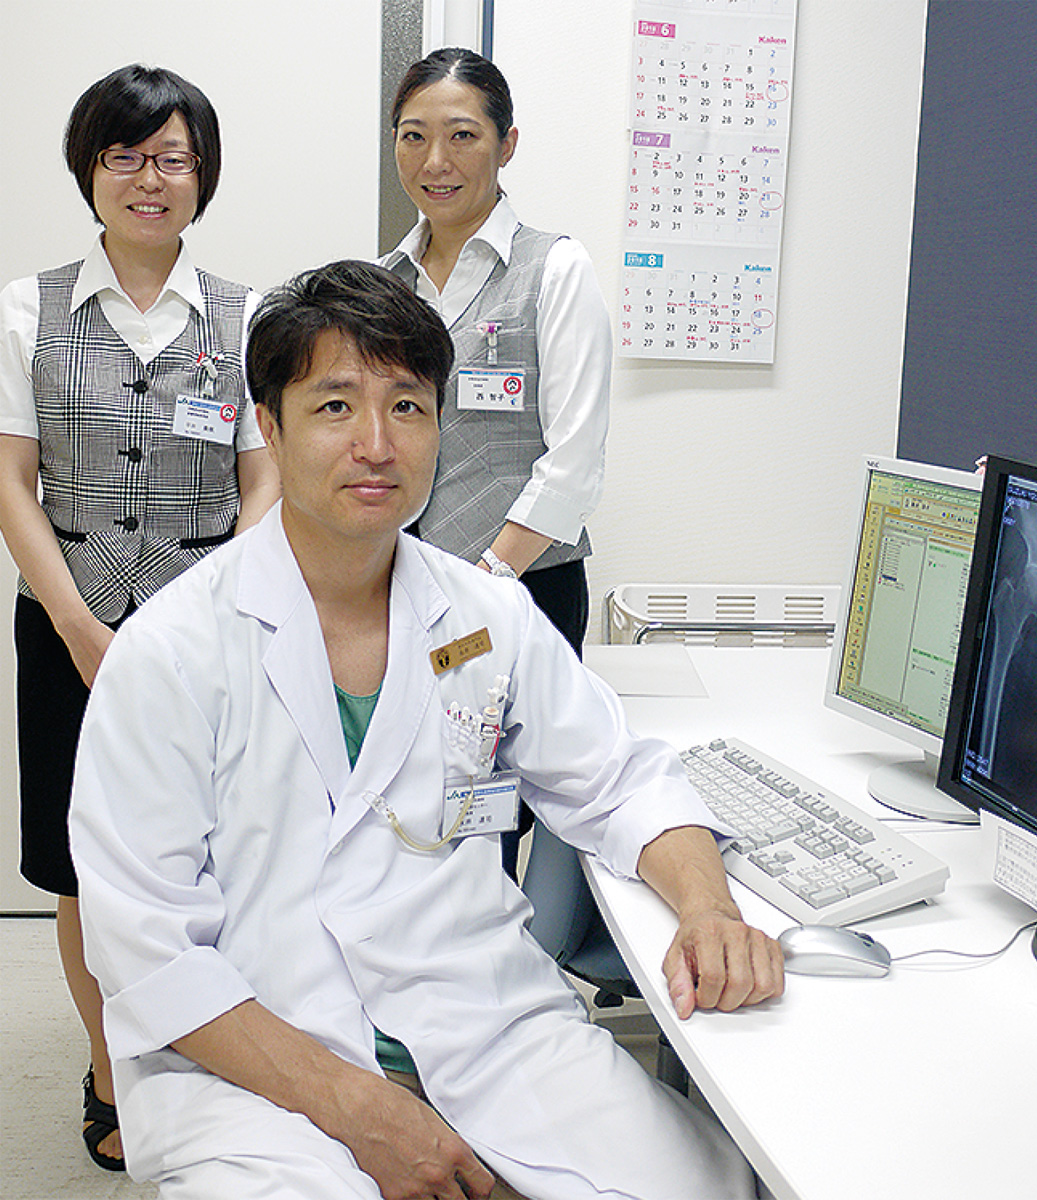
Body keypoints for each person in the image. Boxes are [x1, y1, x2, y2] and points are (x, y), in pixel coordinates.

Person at [69, 260, 785, 1200]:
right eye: (334, 406)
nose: (375, 444)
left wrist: (707, 908)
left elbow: (618, 779)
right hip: (261, 1063)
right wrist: (357, 1107)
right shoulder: (171, 651)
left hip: (482, 1024)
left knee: (710, 1186)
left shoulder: (484, 614)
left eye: (406, 406)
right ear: (270, 428)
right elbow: (147, 951)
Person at [0, 65, 279, 1171]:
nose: (148, 179)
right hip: (66, 625)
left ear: (202, 175)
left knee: (213, 853)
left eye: (172, 158)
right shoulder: (27, 308)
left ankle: (210, 1049)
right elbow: (11, 483)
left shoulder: (248, 317)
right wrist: (78, 627)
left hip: (212, 632)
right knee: (82, 865)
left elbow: (264, 477)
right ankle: (112, 1066)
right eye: (125, 155)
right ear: (89, 169)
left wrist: (217, 603)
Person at [381, 47, 611, 877]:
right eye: (413, 136)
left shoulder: (555, 268)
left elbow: (573, 462)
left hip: (520, 589)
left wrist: (484, 584)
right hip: (405, 595)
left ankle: (495, 957)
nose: (434, 161)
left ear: (506, 144)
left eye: (461, 135)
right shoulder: (383, 283)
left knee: (496, 816)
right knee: (410, 809)